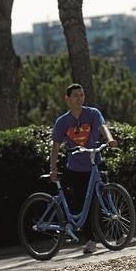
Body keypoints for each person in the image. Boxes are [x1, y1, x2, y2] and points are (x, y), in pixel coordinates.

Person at [49, 83, 118, 254]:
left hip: (95, 162)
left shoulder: (93, 114)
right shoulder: (63, 121)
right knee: (83, 205)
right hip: (76, 168)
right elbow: (56, 145)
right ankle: (90, 241)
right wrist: (53, 168)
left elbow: (103, 127)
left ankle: (120, 234)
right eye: (75, 96)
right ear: (68, 99)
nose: (79, 98)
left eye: (81, 95)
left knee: (106, 196)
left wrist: (109, 139)